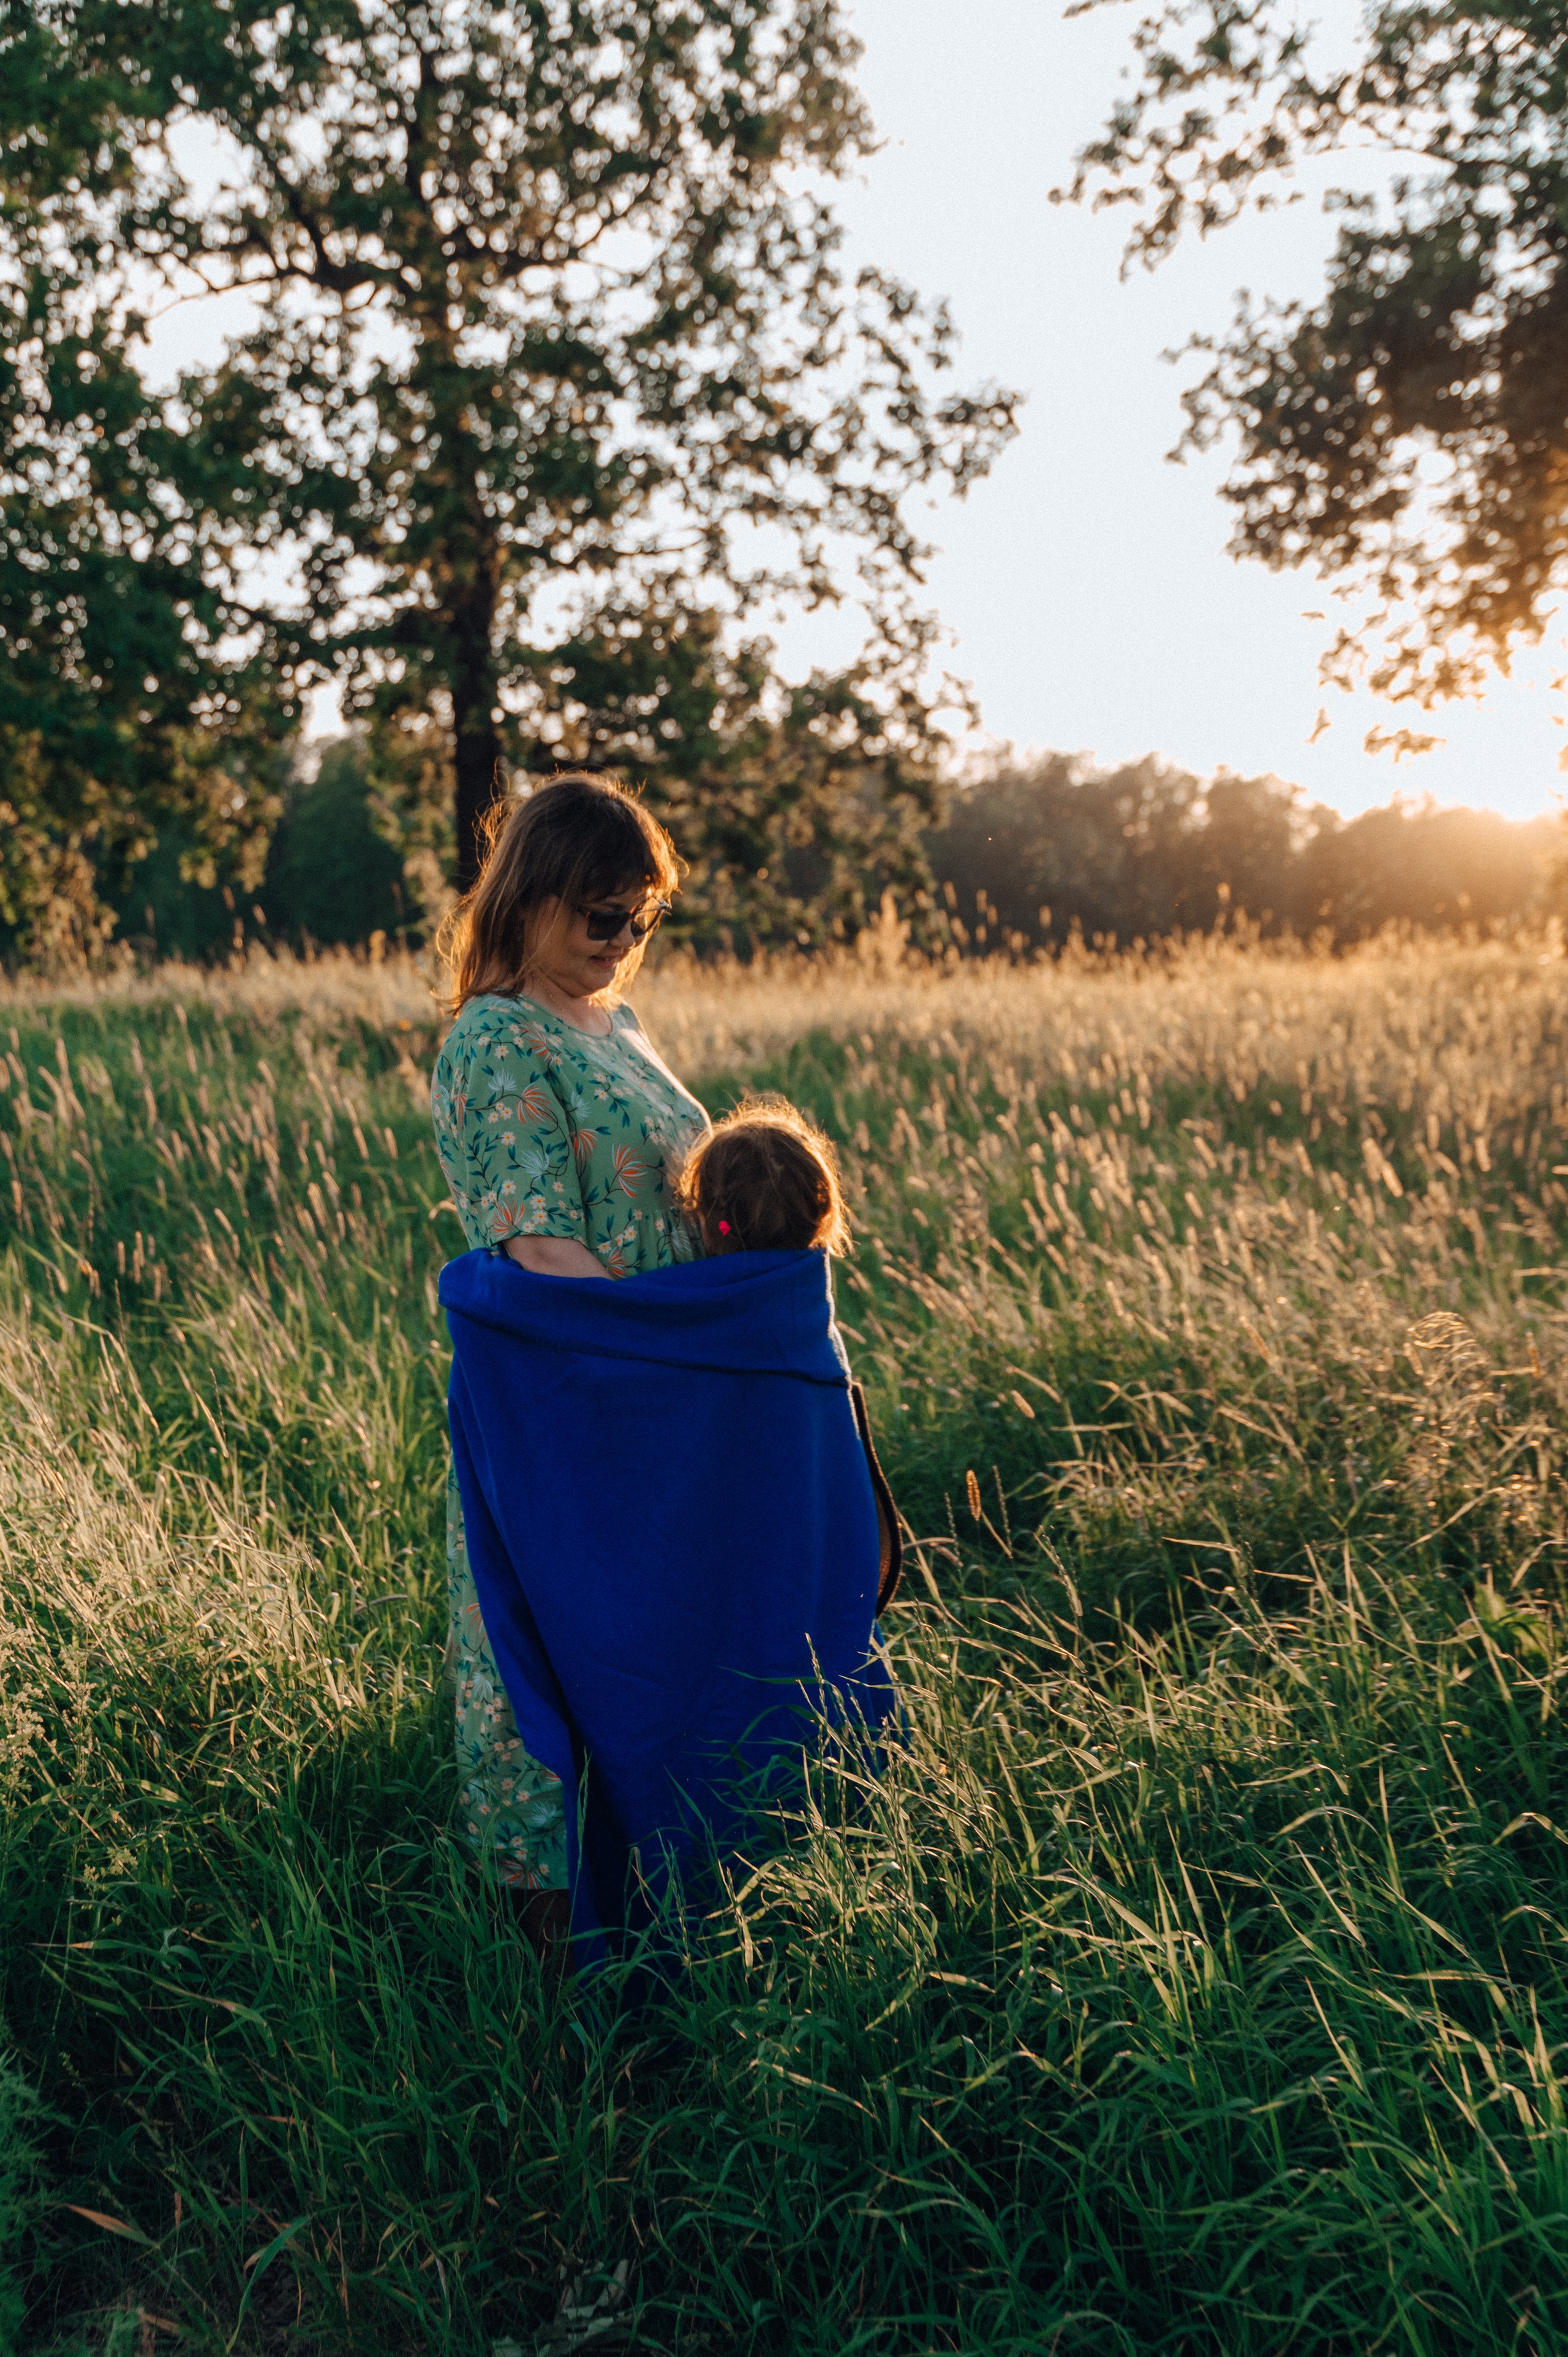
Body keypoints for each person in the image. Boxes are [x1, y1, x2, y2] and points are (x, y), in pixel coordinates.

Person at [429, 773, 710, 1951]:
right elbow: (543, 1247)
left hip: (664, 1391)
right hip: (588, 1402)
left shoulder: (619, 1025)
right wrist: (666, 1376)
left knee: (659, 1654)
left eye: (643, 919)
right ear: (533, 894)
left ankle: (683, 1906)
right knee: (567, 1657)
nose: (623, 941)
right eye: (604, 916)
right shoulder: (497, 1037)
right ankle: (557, 1980)